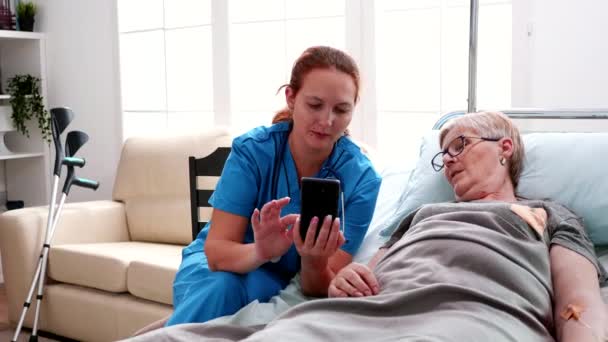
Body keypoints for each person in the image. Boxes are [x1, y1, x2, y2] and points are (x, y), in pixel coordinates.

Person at [130, 111, 607, 341]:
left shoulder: (548, 215)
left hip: (469, 315)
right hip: (358, 317)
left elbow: (579, 302)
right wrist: (341, 276)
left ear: (504, 147)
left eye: (461, 144)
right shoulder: (418, 217)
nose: (449, 161)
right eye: (444, 154)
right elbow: (352, 278)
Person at [165, 46, 382, 326]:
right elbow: (217, 253)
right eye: (315, 105)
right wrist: (262, 251)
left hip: (272, 278)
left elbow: (321, 284)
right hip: (215, 265)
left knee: (234, 297)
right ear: (291, 98)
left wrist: (313, 261)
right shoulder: (253, 152)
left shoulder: (362, 180)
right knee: (220, 288)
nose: (327, 121)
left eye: (341, 109)